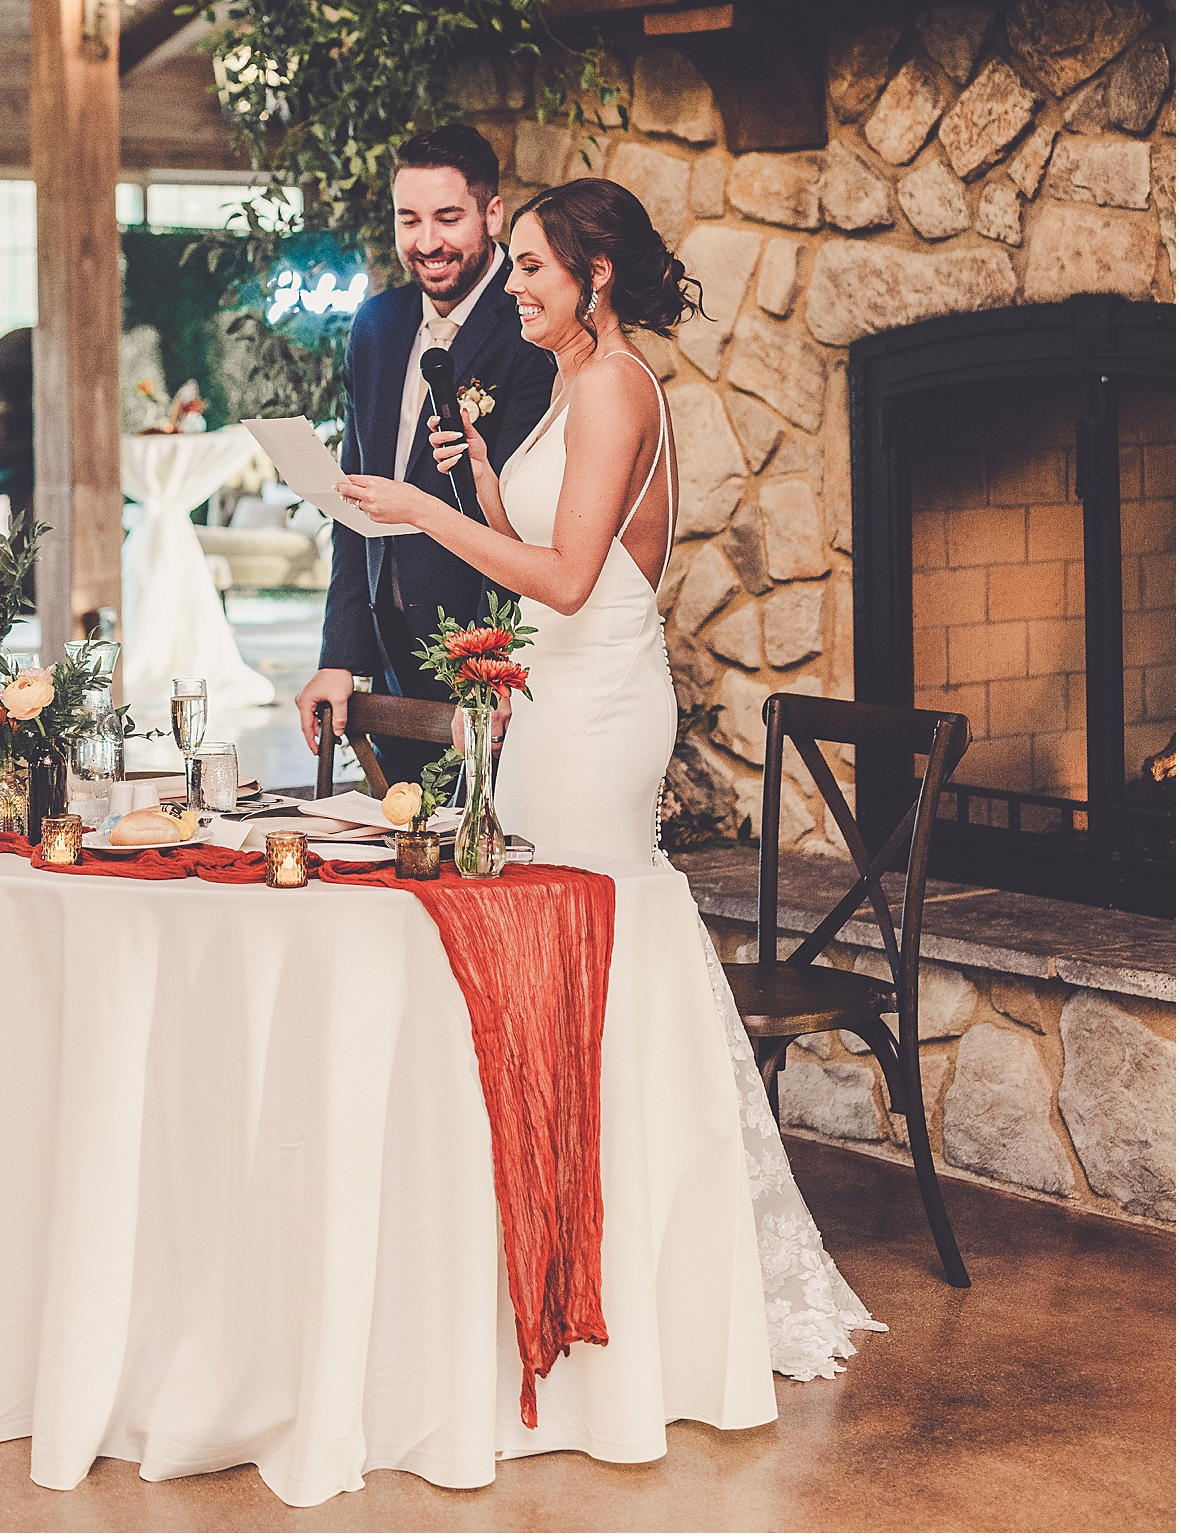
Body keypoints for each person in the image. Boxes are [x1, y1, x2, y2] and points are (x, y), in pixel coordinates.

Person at [338, 176, 882, 1384]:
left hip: (592, 714)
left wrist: (426, 510)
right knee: (555, 965)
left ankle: (640, 1263)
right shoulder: (582, 387)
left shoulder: (616, 384)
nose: (512, 284)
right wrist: (480, 472)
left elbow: (573, 581)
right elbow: (546, 545)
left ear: (592, 278)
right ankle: (569, 1235)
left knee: (588, 961)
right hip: (553, 702)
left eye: (528, 267)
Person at [295, 124, 555, 786]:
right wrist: (340, 655)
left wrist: (496, 665)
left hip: (493, 657)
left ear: (491, 213)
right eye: (409, 219)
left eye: (447, 217)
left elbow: (535, 519)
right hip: (389, 651)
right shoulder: (377, 325)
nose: (427, 242)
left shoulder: (535, 327)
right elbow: (352, 501)